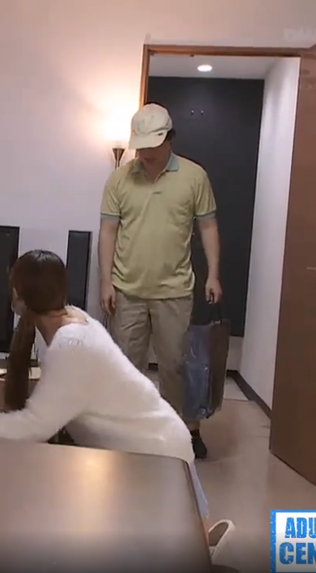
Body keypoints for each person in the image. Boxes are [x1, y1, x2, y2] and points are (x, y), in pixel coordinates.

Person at [0, 249, 218, 536]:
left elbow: (34, 426)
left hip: (155, 455)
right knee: (195, 539)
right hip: (161, 441)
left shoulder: (71, 344)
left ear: (18, 295)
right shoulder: (75, 320)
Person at [98, 103, 221, 459]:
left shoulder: (194, 176)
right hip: (127, 289)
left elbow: (208, 226)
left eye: (153, 145)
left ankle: (186, 431)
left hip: (174, 290)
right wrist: (106, 281)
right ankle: (130, 429)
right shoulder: (119, 179)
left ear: (169, 138)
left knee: (176, 366)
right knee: (126, 364)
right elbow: (108, 231)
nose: (146, 153)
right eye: (141, 147)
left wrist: (213, 274)